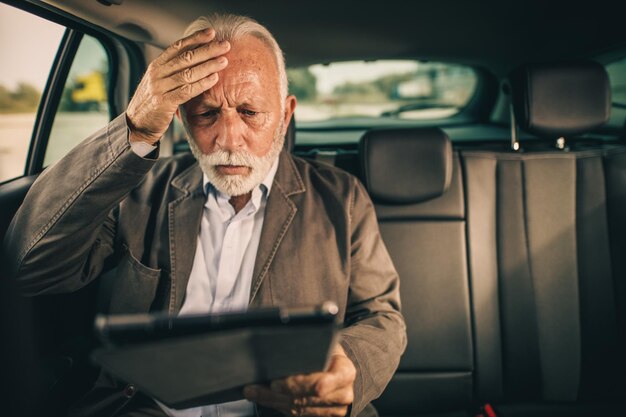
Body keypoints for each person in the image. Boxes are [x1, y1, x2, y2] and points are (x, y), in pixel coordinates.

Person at [3, 13, 406, 417]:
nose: (228, 140)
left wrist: (349, 365)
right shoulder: (140, 190)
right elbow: (29, 265)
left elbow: (381, 316)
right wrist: (135, 131)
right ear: (179, 117)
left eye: (250, 112)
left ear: (286, 114)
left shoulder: (342, 197)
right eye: (206, 114)